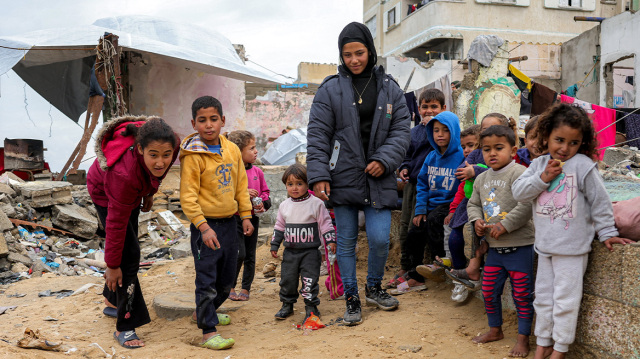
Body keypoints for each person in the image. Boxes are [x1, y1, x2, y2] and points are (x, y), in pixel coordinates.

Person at [306, 21, 410, 326]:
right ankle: (352, 297)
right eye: (347, 54)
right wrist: (319, 174)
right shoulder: (330, 89)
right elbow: (318, 135)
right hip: (343, 176)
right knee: (346, 240)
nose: (354, 60)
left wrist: (385, 160)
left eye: (360, 53)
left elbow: (402, 130)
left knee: (379, 239)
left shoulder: (390, 88)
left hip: (378, 176)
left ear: (371, 51)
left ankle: (374, 288)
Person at [512, 103, 633, 359]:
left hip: (572, 249)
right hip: (545, 247)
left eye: (573, 142)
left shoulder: (582, 166)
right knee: (543, 299)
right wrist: (542, 178)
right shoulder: (538, 165)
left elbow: (600, 202)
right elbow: (519, 193)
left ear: (582, 143)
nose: (565, 148)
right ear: (546, 136)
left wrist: (607, 232)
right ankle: (543, 343)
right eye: (559, 140)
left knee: (566, 301)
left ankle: (560, 348)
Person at [87, 116, 179, 349]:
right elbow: (115, 224)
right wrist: (112, 264)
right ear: (140, 149)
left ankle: (111, 298)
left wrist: (150, 190)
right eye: (154, 155)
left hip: (134, 188)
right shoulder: (123, 176)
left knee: (129, 248)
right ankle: (125, 326)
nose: (161, 162)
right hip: (104, 191)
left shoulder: (172, 144)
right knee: (128, 258)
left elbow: (161, 170)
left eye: (166, 155)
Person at [180, 95, 254, 350]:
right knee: (207, 279)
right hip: (206, 227)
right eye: (202, 120)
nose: (208, 125)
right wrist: (203, 226)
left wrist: (245, 215)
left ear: (223, 120)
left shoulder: (232, 149)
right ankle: (208, 332)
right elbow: (188, 198)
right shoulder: (193, 154)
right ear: (194, 123)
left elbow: (240, 185)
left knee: (227, 279)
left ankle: (203, 313)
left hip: (229, 223)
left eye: (213, 119)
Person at [467, 125, 535, 358]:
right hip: (494, 249)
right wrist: (476, 220)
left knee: (522, 296)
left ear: (513, 150)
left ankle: (523, 339)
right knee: (488, 291)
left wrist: (506, 225)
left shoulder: (520, 173)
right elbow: (473, 204)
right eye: (486, 149)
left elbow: (527, 204)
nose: (492, 154)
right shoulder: (481, 178)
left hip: (520, 247)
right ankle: (495, 330)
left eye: (499, 148)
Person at [444, 113, 519, 286]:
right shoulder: (478, 152)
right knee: (456, 238)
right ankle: (462, 280)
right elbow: (462, 168)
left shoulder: (510, 160)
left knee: (483, 239)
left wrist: (476, 170)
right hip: (473, 205)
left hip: (496, 208)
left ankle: (473, 271)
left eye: (494, 129)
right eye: (484, 130)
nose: (489, 133)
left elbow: (496, 171)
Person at [397, 111, 463, 293]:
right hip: (430, 205)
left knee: (435, 221)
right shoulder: (431, 157)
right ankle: (415, 276)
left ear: (454, 132)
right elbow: (422, 184)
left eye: (445, 130)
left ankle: (440, 263)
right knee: (413, 234)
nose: (440, 135)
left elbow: (462, 187)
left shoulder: (461, 157)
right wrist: (420, 210)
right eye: (435, 131)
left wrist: (453, 209)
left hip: (449, 205)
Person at [391, 88, 446, 288]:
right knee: (405, 226)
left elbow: (441, 152)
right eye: (425, 107)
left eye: (434, 107)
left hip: (431, 187)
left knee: (419, 226)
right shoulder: (414, 132)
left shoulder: (442, 132)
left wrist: (433, 129)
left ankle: (419, 270)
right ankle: (405, 267)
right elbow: (407, 155)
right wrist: (404, 168)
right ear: (418, 109)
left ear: (444, 109)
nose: (429, 111)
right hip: (412, 185)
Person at [270, 164, 336, 322]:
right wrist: (274, 245)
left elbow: (326, 224)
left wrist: (330, 241)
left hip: (310, 252)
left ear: (308, 184)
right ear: (285, 185)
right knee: (288, 279)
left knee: (309, 280)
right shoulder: (284, 206)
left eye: (299, 183)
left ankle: (311, 307)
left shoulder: (316, 204)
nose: (294, 188)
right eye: (290, 184)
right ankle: (287, 304)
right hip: (290, 252)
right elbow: (279, 226)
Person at [226, 130, 271, 302]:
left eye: (255, 147)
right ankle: (230, 285)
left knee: (250, 255)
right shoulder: (230, 172)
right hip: (235, 218)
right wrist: (244, 193)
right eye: (251, 148)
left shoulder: (257, 172)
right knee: (239, 254)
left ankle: (245, 288)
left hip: (253, 218)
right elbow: (226, 194)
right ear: (238, 152)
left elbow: (266, 192)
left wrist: (263, 202)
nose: (256, 151)